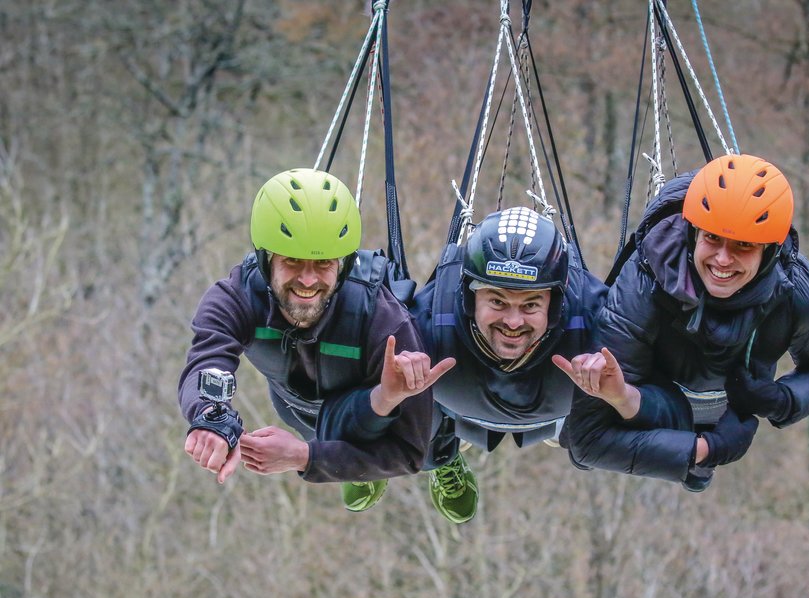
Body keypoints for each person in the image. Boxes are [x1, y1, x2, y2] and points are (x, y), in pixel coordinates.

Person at [560, 154, 809, 490]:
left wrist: (779, 400)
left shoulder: (798, 293)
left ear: (770, 252)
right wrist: (704, 451)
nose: (723, 259)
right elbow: (587, 442)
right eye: (712, 238)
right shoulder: (644, 283)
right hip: (650, 399)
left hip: (726, 407)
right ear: (692, 234)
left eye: (744, 245)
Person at [178, 168, 452, 511]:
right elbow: (208, 360)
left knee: (430, 449)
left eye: (323, 263)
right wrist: (211, 417)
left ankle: (445, 457)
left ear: (344, 264)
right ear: (266, 260)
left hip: (376, 411)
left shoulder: (384, 319)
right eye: (292, 261)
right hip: (297, 407)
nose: (308, 280)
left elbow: (408, 453)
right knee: (331, 440)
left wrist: (305, 457)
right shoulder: (235, 298)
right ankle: (350, 460)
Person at [407, 207, 608, 523]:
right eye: (497, 302)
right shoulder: (427, 323)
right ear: (470, 299)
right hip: (454, 399)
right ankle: (441, 459)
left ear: (554, 306)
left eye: (530, 304)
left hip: (559, 406)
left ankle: (566, 432)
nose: (513, 322)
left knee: (592, 440)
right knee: (409, 422)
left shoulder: (595, 322)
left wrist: (615, 389)